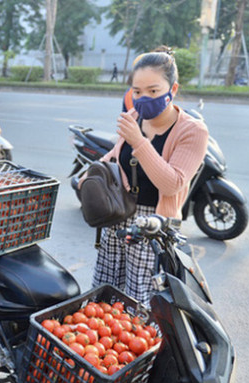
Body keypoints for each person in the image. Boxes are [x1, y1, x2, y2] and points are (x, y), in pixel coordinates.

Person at [80, 50, 208, 306]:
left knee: (142, 302)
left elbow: (172, 183)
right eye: (137, 92)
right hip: (117, 214)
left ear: (173, 88)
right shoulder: (134, 118)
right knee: (105, 294)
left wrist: (138, 140)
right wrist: (91, 173)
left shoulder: (192, 131)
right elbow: (116, 155)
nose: (143, 98)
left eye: (153, 90)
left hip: (153, 226)